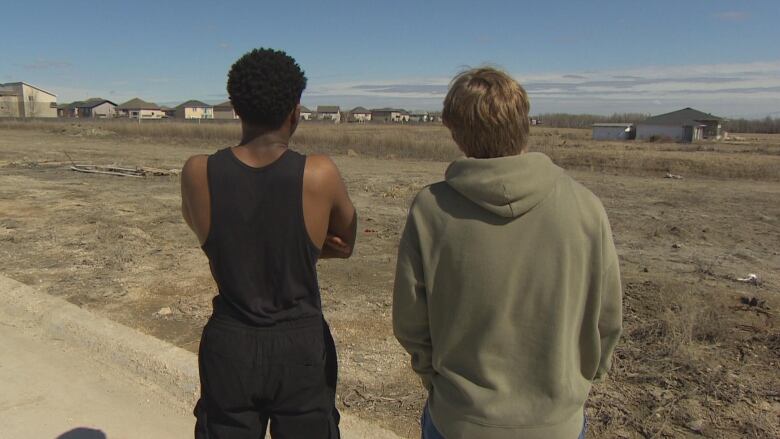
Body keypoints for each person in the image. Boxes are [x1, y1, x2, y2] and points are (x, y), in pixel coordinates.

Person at [393, 67, 623, 439]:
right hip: (557, 422)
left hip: (459, 420)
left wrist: (435, 381)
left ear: (456, 132)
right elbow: (607, 318)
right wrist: (581, 382)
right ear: (524, 122)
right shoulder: (585, 207)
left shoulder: (431, 209)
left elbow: (410, 321)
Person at [180, 48, 356, 439]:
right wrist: (301, 246)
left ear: (237, 109)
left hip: (231, 342)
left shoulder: (198, 173)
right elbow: (345, 242)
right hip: (300, 347)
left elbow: (210, 235)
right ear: (295, 110)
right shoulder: (319, 173)